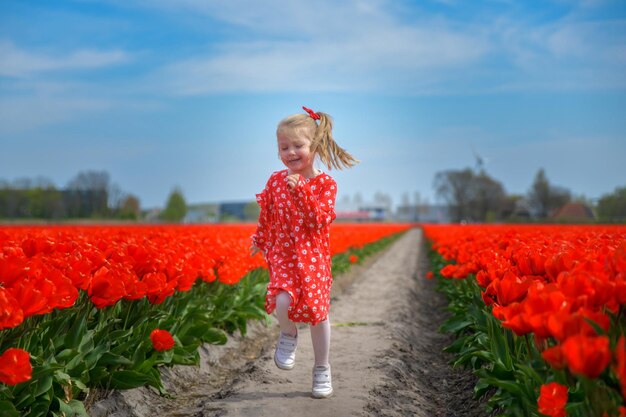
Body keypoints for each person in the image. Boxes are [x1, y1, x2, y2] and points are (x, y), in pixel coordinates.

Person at [250, 106, 358, 399]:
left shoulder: (325, 184)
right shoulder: (275, 181)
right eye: (284, 147)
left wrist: (302, 191)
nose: (290, 152)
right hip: (284, 254)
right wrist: (260, 238)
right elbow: (268, 214)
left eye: (298, 146)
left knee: (317, 314)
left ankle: (322, 367)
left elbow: (318, 220)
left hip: (313, 258)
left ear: (315, 146)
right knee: (282, 300)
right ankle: (288, 333)